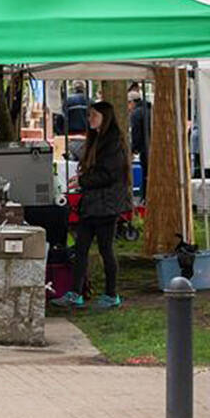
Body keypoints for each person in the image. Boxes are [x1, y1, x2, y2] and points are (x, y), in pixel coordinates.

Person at [55, 100, 131, 309]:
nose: (90, 120)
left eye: (94, 116)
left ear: (105, 118)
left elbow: (108, 174)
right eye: (90, 116)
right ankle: (76, 292)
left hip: (106, 204)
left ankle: (111, 293)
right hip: (93, 203)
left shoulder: (113, 142)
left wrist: (83, 180)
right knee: (81, 248)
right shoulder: (97, 140)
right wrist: (82, 179)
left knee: (105, 249)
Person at [128, 87, 152, 200]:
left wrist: (133, 149)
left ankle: (145, 198)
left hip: (145, 148)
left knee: (146, 174)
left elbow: (136, 134)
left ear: (131, 102)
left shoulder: (136, 114)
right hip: (152, 146)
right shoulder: (150, 110)